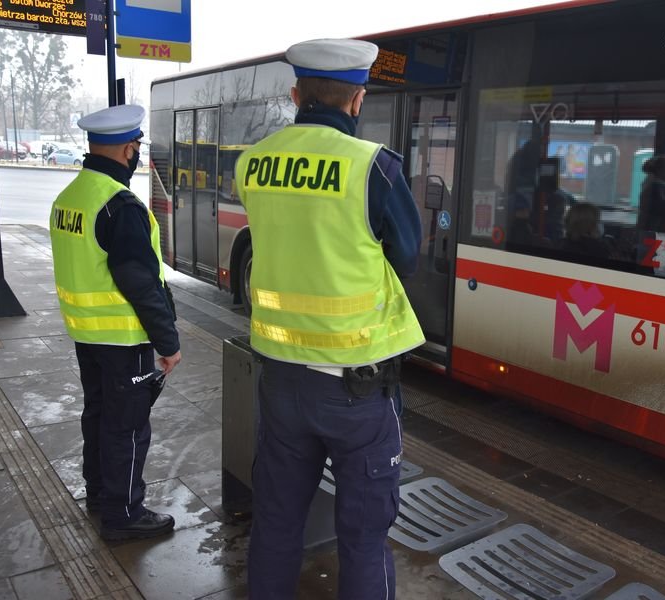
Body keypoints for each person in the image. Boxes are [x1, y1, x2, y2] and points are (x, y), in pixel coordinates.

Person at [235, 39, 425, 599]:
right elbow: (407, 256)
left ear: (297, 95)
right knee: (363, 539)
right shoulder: (375, 168)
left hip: (280, 380)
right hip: (355, 390)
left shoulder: (253, 163)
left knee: (276, 522)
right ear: (358, 100)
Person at [48, 104, 181, 541]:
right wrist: (168, 342)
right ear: (128, 149)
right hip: (123, 339)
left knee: (99, 415)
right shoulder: (119, 205)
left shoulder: (70, 197)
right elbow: (141, 283)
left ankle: (101, 493)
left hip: (86, 334)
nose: (138, 153)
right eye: (137, 146)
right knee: (127, 427)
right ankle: (123, 514)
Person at [637, 155, 665, 233]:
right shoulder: (657, 187)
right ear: (660, 171)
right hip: (652, 228)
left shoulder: (652, 183)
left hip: (646, 226)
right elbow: (662, 208)